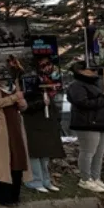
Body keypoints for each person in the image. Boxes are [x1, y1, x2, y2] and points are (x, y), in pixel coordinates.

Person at [0, 66, 32, 205]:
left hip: (15, 127)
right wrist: (14, 97)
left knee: (17, 159)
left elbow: (22, 106)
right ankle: (0, 196)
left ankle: (14, 195)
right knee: (1, 161)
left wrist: (22, 103)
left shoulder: (13, 84)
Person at [66, 61, 104, 193]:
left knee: (99, 153)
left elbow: (102, 102)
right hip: (87, 123)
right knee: (88, 152)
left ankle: (96, 178)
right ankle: (85, 178)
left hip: (101, 122)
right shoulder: (76, 86)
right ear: (81, 71)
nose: (95, 72)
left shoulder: (94, 84)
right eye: (91, 69)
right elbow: (83, 102)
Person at [21, 59, 66, 193]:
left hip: (47, 123)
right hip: (34, 124)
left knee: (45, 154)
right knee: (35, 154)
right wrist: (41, 103)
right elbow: (24, 107)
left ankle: (46, 180)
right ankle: (34, 181)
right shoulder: (27, 84)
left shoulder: (49, 85)